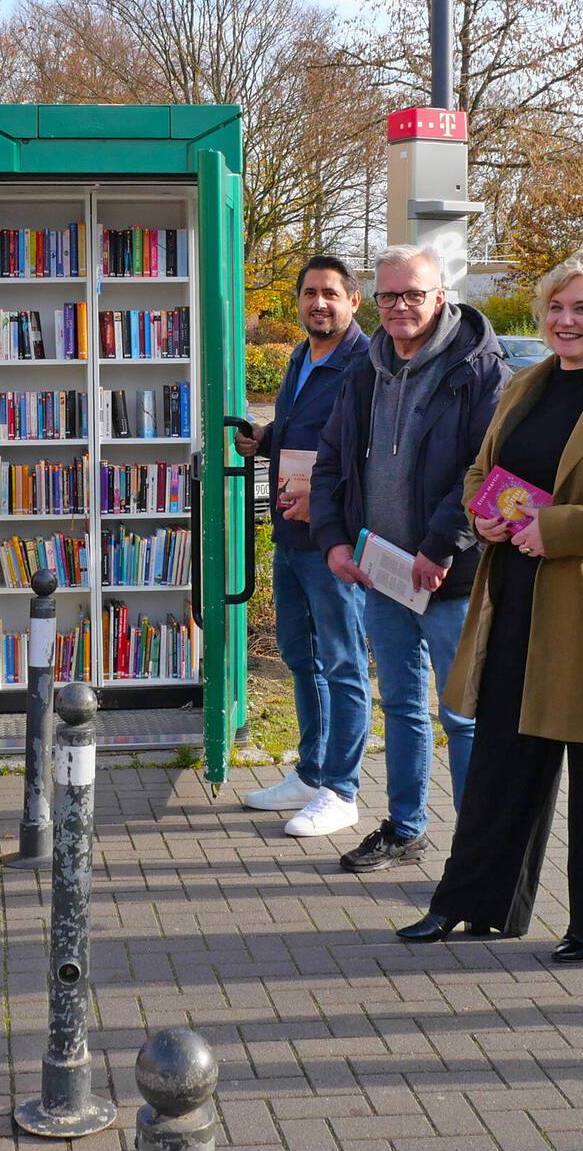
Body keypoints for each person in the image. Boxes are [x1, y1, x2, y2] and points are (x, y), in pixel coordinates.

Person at [397, 243, 583, 962]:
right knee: (501, 760)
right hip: (517, 598)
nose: (564, 320)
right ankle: (470, 904)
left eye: (581, 308)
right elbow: (479, 470)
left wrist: (546, 528)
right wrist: (482, 513)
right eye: (554, 307)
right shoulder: (525, 385)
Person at [310, 243, 507, 873]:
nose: (400, 307)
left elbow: (487, 471)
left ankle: (477, 850)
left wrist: (441, 545)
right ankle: (405, 828)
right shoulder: (365, 368)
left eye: (413, 294)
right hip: (383, 572)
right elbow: (333, 458)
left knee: (463, 715)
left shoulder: (480, 370)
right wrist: (334, 539)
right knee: (399, 705)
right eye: (389, 295)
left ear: (440, 295)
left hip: (450, 574)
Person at [233, 256, 371, 837]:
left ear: (353, 302)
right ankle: (311, 773)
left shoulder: (367, 364)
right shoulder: (300, 355)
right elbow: (305, 437)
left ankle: (342, 790)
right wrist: (264, 440)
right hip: (290, 534)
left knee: (343, 663)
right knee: (300, 657)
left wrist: (328, 505)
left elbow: (369, 456)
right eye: (310, 293)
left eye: (331, 294)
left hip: (333, 540)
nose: (319, 303)